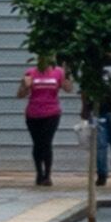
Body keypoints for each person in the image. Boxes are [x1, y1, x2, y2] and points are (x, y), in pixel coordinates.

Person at [21, 57, 70, 186]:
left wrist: (67, 74)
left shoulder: (58, 72)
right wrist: (25, 86)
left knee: (47, 142)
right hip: (33, 113)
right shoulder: (31, 73)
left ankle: (47, 175)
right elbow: (20, 94)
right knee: (37, 143)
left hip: (51, 113)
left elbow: (68, 88)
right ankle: (39, 173)